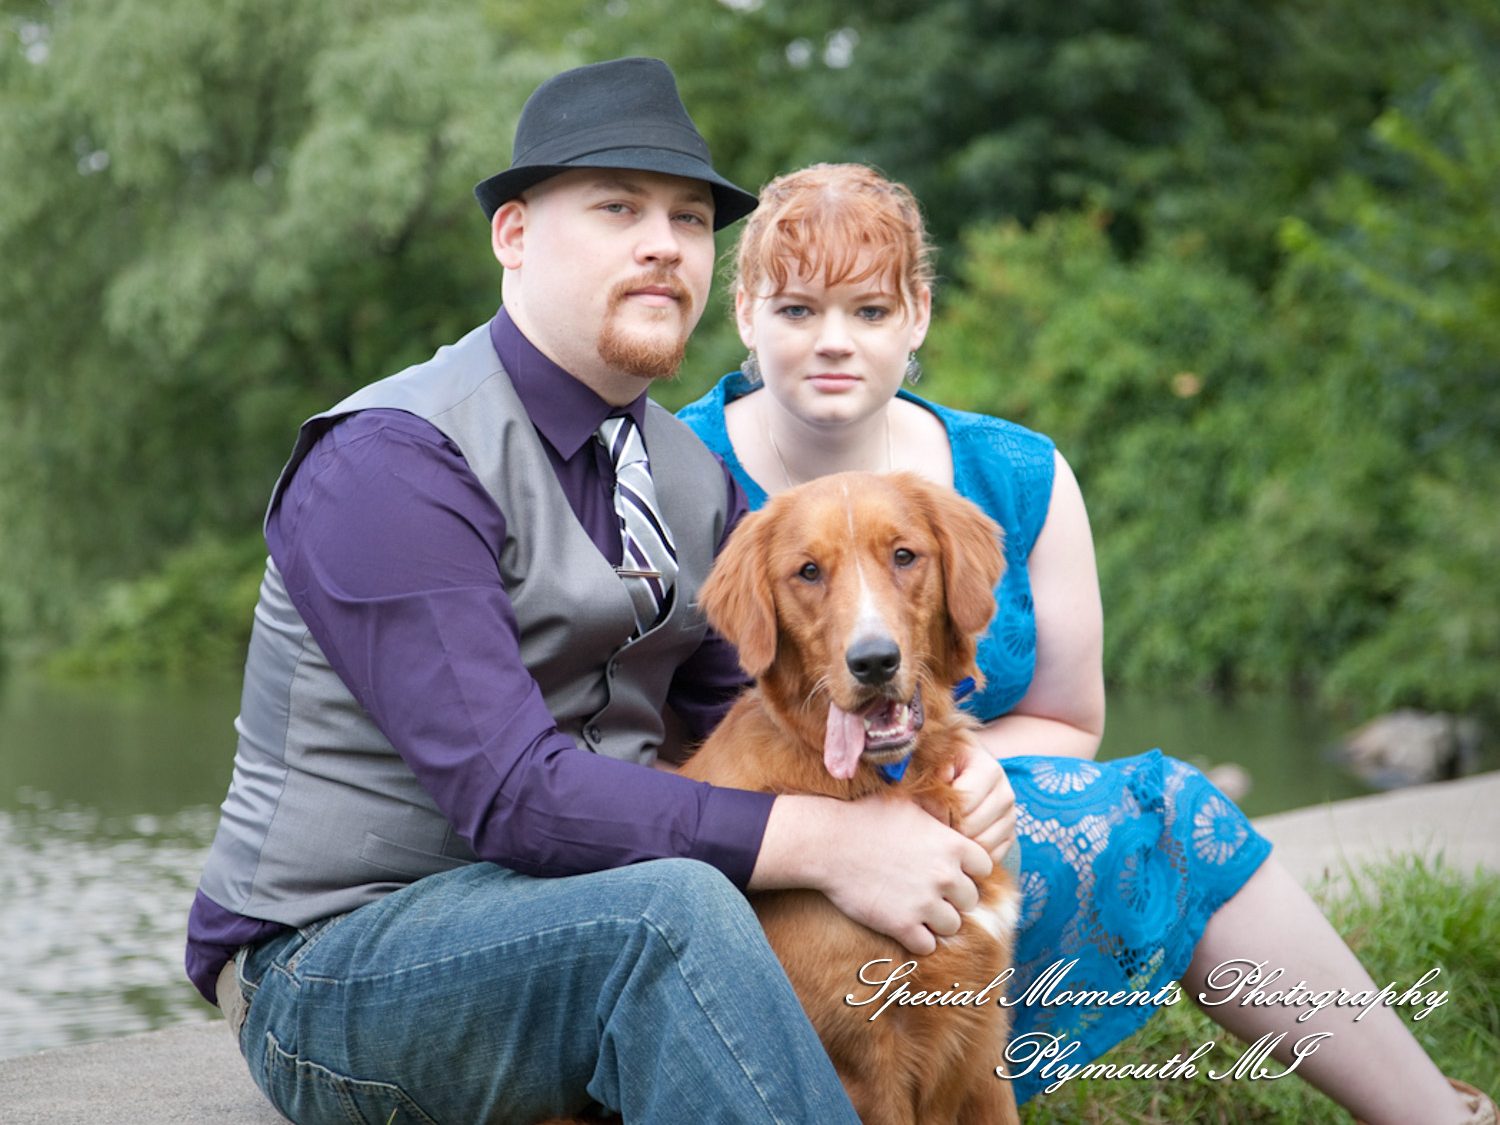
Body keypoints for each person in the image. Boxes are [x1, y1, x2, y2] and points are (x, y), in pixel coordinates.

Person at [185, 64, 1015, 1124]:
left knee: (894, 897)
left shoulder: (684, 472)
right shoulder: (392, 463)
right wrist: (830, 844)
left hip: (581, 913)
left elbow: (760, 713)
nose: (664, 242)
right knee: (672, 914)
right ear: (515, 236)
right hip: (339, 966)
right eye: (618, 207)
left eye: (688, 217)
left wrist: (933, 777)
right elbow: (513, 797)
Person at [676, 162, 1496, 1122]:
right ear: (744, 313)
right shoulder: (675, 470)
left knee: (1173, 809)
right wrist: (821, 838)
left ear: (918, 315)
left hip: (985, 809)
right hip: (771, 843)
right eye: (796, 310)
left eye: (868, 310)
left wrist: (975, 772)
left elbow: (1069, 717)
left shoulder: (1014, 472)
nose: (833, 343)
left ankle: (1436, 1116)